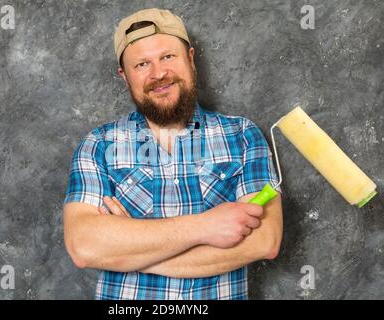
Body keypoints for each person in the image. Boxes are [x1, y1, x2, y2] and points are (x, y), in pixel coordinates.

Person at [62, 8, 283, 300]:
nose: (158, 73)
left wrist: (131, 250)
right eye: (141, 64)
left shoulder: (242, 136)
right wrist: (206, 226)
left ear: (190, 59)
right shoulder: (100, 144)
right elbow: (85, 247)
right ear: (125, 77)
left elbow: (263, 242)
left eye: (168, 57)